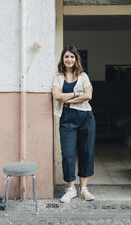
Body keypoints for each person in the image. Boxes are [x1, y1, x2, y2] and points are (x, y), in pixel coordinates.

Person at [52, 45, 96, 203]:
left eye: (72, 57)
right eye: (66, 57)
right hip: (67, 118)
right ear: (63, 60)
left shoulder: (83, 76)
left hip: (85, 117)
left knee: (86, 152)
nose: (69, 59)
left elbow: (88, 95)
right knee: (68, 154)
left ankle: (83, 189)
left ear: (76, 59)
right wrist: (78, 94)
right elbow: (57, 96)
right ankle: (70, 189)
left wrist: (68, 99)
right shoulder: (58, 77)